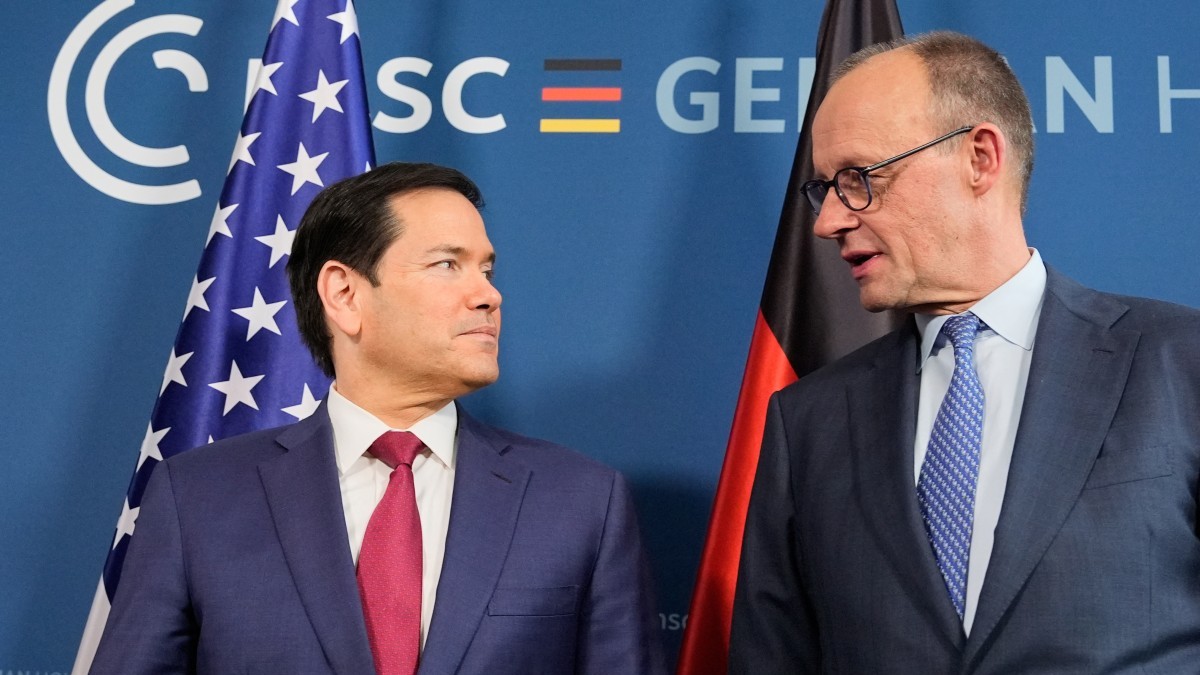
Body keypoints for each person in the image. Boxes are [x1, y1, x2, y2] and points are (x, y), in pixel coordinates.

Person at [729, 31, 1200, 673]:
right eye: (823, 189)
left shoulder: (1180, 361)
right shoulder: (806, 420)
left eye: (858, 179)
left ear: (979, 158)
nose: (827, 221)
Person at [91, 162, 666, 674]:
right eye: (448, 264)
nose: (489, 295)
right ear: (344, 294)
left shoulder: (583, 501)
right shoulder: (198, 497)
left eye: (487, 270)